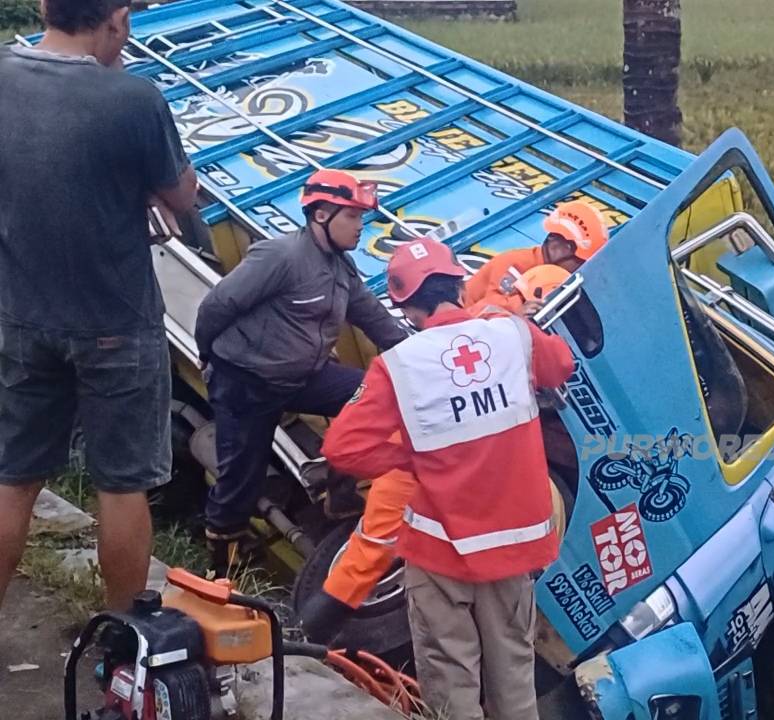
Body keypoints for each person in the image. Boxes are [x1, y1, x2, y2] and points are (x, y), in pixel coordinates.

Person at [307, 237, 575, 719]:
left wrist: (410, 457)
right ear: (458, 283)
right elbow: (561, 366)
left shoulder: (400, 366)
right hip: (514, 546)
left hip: (441, 548)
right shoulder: (511, 333)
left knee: (452, 684)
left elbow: (342, 447)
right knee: (514, 678)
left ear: (407, 308)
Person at [0, 0, 197, 611]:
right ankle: (122, 636)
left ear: (42, 9)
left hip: (22, 317)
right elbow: (182, 194)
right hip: (116, 325)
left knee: (12, 478)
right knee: (121, 484)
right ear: (116, 19)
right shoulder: (134, 98)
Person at [194, 169, 409, 577]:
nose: (361, 227)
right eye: (353, 217)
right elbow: (216, 306)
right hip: (248, 383)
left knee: (374, 393)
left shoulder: (341, 270)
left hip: (302, 377)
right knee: (241, 480)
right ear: (322, 214)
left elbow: (377, 321)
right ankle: (220, 572)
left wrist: (426, 357)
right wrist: (209, 358)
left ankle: (339, 493)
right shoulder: (281, 257)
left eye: (362, 218)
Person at [464, 200, 607, 316]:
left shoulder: (548, 274)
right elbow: (482, 311)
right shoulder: (516, 266)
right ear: (558, 249)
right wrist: (517, 309)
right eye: (579, 262)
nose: (579, 269)